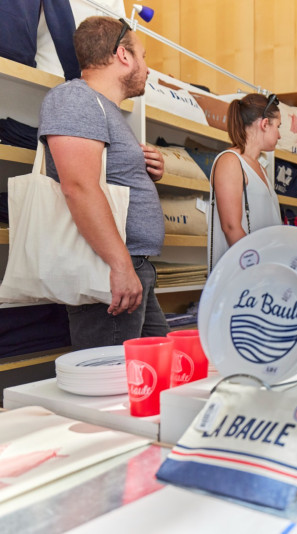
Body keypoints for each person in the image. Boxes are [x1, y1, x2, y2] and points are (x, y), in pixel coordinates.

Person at [38, 16, 168, 349]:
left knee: (158, 367)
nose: (147, 68)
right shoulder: (75, 99)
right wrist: (121, 265)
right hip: (109, 269)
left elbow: (103, 176)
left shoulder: (102, 108)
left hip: (129, 266)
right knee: (113, 377)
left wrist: (146, 170)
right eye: (142, 56)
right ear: (123, 55)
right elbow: (78, 188)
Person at [207, 93, 282, 269]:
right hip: (242, 273)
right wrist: (257, 267)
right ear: (265, 124)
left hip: (263, 271)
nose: (279, 135)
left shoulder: (261, 168)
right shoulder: (230, 161)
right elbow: (231, 227)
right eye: (278, 126)